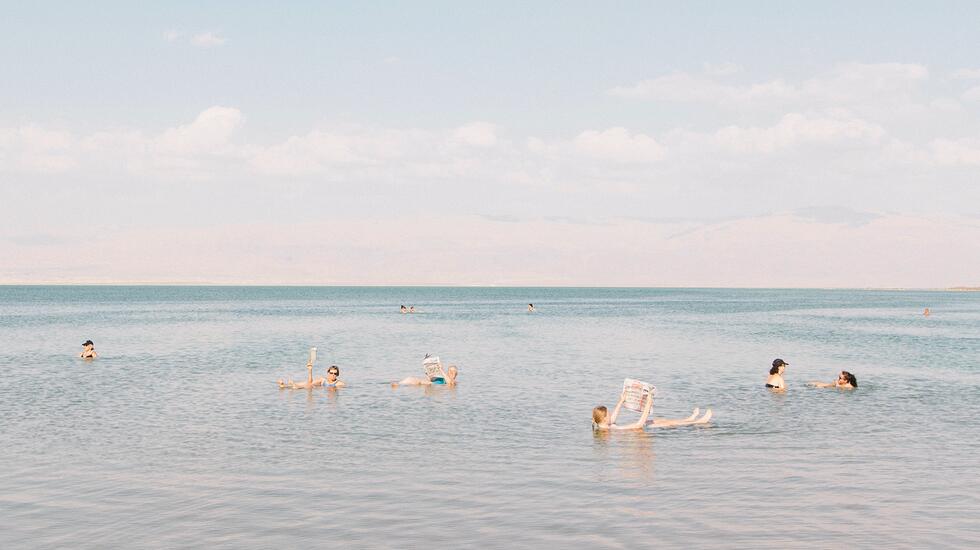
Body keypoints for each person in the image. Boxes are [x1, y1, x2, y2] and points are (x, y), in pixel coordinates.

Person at [592, 388, 712, 430]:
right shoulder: (614, 430)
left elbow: (612, 418)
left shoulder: (604, 425)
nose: (611, 414)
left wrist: (621, 400)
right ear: (603, 418)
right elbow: (638, 424)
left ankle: (689, 418)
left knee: (661, 419)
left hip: (644, 426)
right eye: (609, 413)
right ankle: (698, 422)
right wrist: (648, 404)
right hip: (642, 428)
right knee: (669, 423)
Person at [279, 363, 346, 389]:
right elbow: (310, 382)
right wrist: (310, 370)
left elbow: (343, 388)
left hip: (321, 388)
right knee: (308, 384)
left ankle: (295, 386)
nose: (333, 375)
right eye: (331, 373)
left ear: (337, 374)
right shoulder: (323, 380)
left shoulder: (339, 383)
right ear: (328, 373)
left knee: (310, 386)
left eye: (335, 373)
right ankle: (285, 385)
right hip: (317, 387)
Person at [392, 365, 458, 387]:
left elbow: (449, 383)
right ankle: (398, 384)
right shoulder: (442, 378)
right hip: (420, 382)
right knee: (408, 380)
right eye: (450, 371)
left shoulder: (454, 382)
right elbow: (430, 379)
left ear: (456, 374)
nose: (451, 373)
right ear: (447, 372)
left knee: (408, 382)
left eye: (453, 371)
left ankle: (398, 384)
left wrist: (441, 370)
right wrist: (429, 373)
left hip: (420, 384)